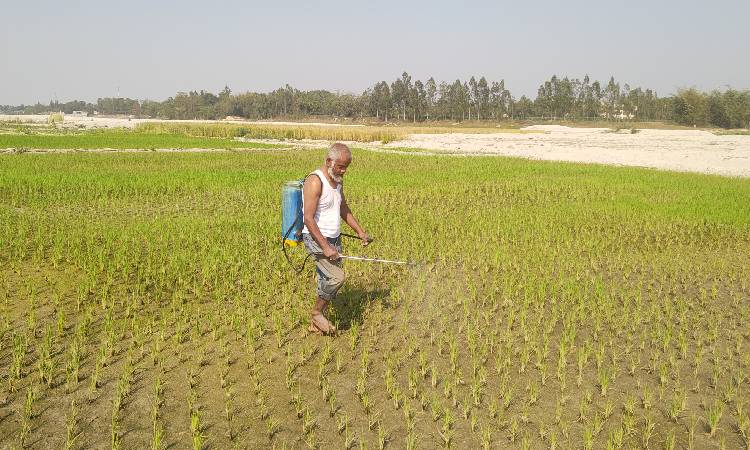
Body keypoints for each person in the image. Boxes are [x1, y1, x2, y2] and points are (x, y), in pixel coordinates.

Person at [301, 143, 371, 335]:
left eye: (346, 167)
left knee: (325, 278)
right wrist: (325, 246)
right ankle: (317, 313)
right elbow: (308, 218)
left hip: (333, 238)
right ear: (329, 161)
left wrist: (360, 232)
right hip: (316, 238)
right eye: (340, 166)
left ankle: (315, 325)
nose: (343, 171)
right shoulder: (315, 181)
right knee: (336, 277)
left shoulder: (338, 180)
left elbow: (343, 208)